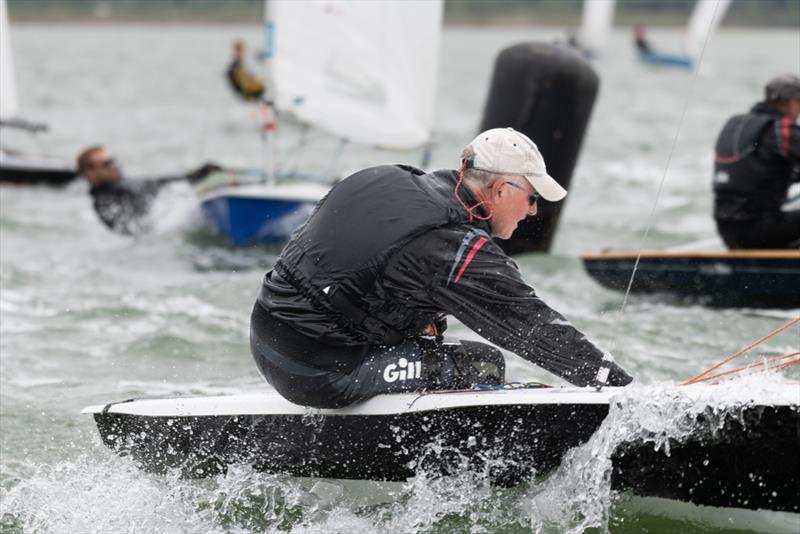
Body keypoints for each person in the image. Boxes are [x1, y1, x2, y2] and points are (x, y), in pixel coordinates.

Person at [249, 127, 633, 409]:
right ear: (500, 190)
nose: (534, 211)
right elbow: (533, 327)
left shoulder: (389, 177)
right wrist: (623, 392)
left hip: (265, 332)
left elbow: (326, 254)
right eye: (532, 198)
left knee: (432, 341)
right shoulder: (452, 246)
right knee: (483, 363)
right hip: (316, 372)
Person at [712, 73, 800, 249]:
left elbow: (756, 172)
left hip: (727, 230)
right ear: (791, 102)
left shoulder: (736, 123)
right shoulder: (780, 128)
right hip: (760, 230)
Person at [76, 145, 219, 236]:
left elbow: (159, 183)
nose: (114, 166)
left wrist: (197, 174)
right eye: (107, 164)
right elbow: (132, 229)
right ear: (89, 172)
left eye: (112, 161)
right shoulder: (103, 201)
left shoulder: (124, 183)